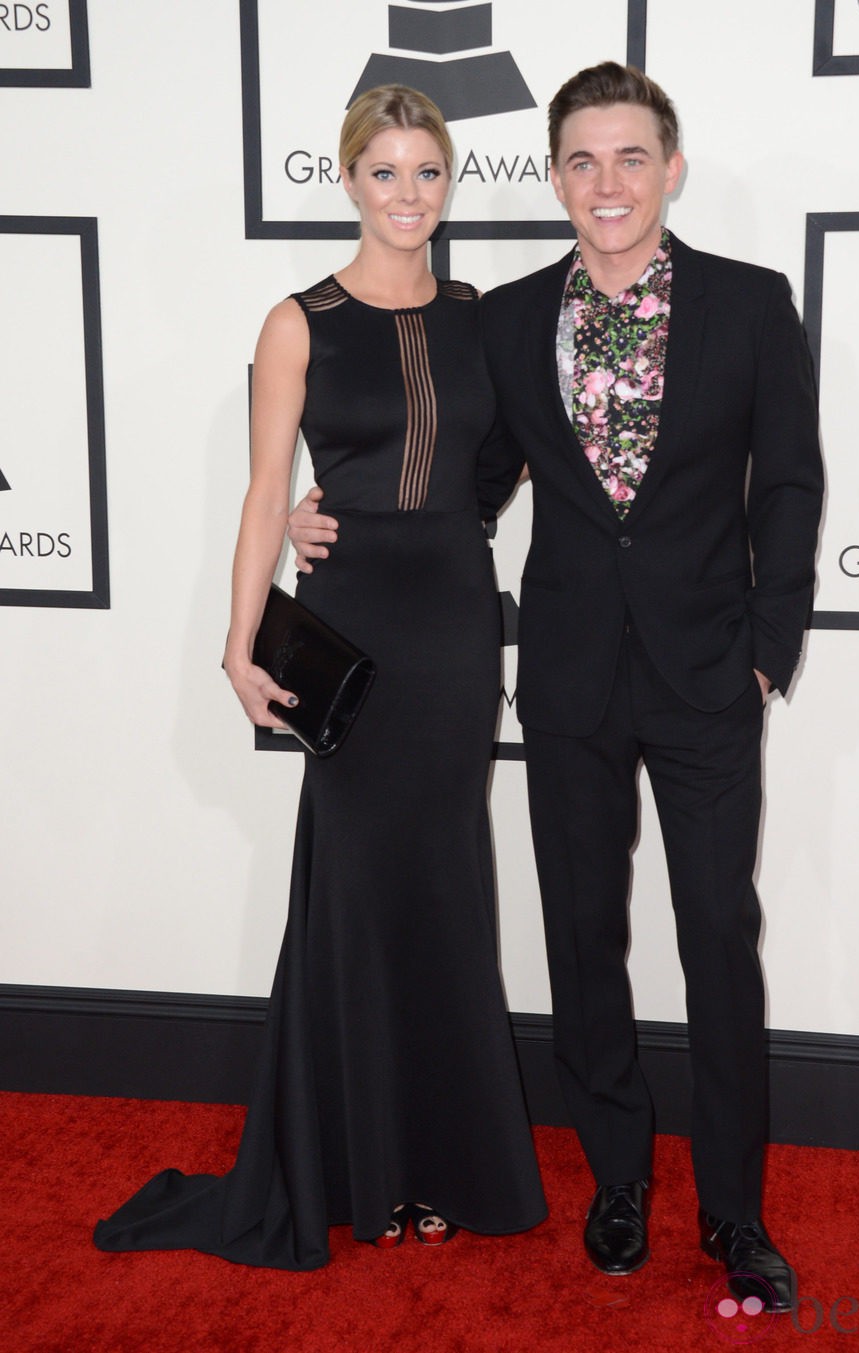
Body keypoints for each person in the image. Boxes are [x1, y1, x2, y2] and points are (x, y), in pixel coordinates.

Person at [287, 63, 823, 1310]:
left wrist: (767, 644)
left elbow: (786, 482)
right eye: (580, 161)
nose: (607, 183)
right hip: (569, 675)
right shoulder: (508, 316)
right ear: (552, 179)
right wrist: (335, 518)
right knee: (583, 946)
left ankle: (734, 1215)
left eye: (629, 157)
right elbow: (461, 481)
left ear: (669, 168)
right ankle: (620, 1183)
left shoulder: (751, 306)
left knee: (716, 941)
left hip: (702, 678)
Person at [93, 85, 546, 1271]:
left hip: (452, 623)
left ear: (450, 184)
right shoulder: (297, 320)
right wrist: (238, 646)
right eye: (384, 173)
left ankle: (443, 1169)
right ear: (347, 181)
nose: (407, 196)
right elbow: (260, 494)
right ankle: (361, 1171)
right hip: (350, 632)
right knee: (353, 891)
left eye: (427, 173)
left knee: (446, 893)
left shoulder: (479, 315)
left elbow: (490, 463)